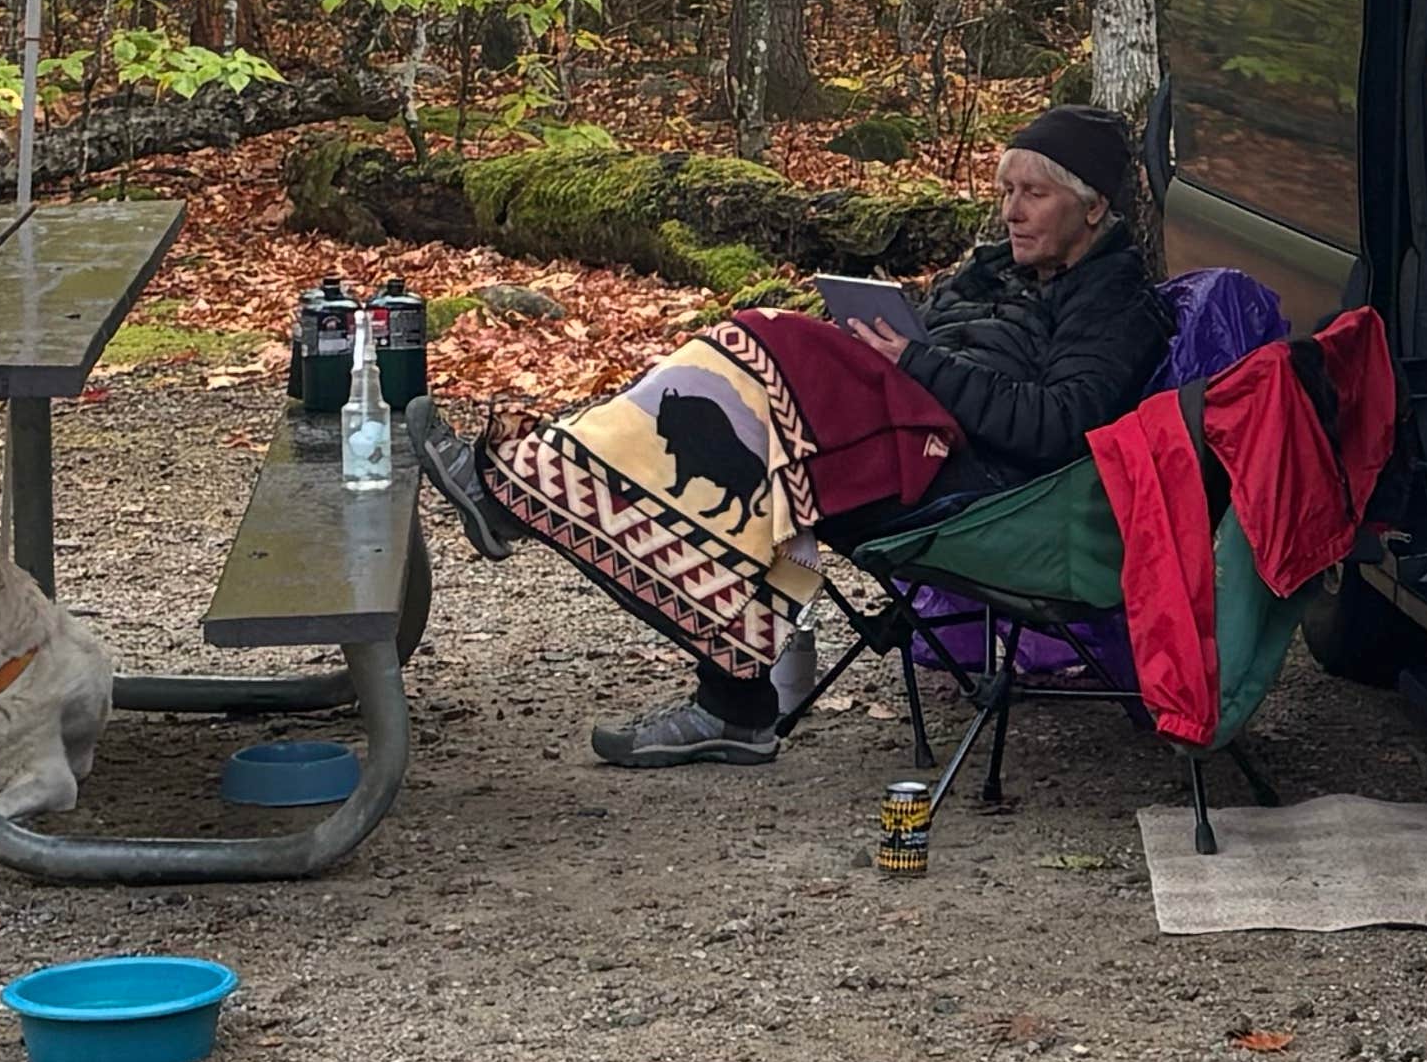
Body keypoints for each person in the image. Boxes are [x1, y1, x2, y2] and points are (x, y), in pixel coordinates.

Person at [428, 103, 1173, 770]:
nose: (1010, 211)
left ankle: (520, 492)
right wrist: (892, 340)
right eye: (1006, 191)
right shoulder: (996, 272)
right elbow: (939, 346)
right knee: (770, 461)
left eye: (1033, 194)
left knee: (763, 342)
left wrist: (914, 363)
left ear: (1093, 206)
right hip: (911, 448)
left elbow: (1055, 426)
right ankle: (733, 703)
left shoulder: (1116, 302)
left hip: (986, 494)